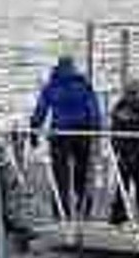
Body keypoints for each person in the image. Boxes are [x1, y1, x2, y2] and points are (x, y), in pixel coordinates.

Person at [30, 55, 101, 220]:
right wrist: (96, 132)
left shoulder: (52, 85)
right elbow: (94, 110)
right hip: (83, 133)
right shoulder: (83, 84)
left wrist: (34, 131)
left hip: (60, 134)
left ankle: (61, 213)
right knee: (82, 173)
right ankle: (84, 208)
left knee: (60, 175)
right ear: (73, 67)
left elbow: (41, 110)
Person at [109, 79, 139, 228]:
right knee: (135, 187)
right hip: (134, 153)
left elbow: (115, 133)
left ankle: (122, 217)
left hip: (134, 153)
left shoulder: (121, 109)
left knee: (133, 187)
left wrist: (120, 147)